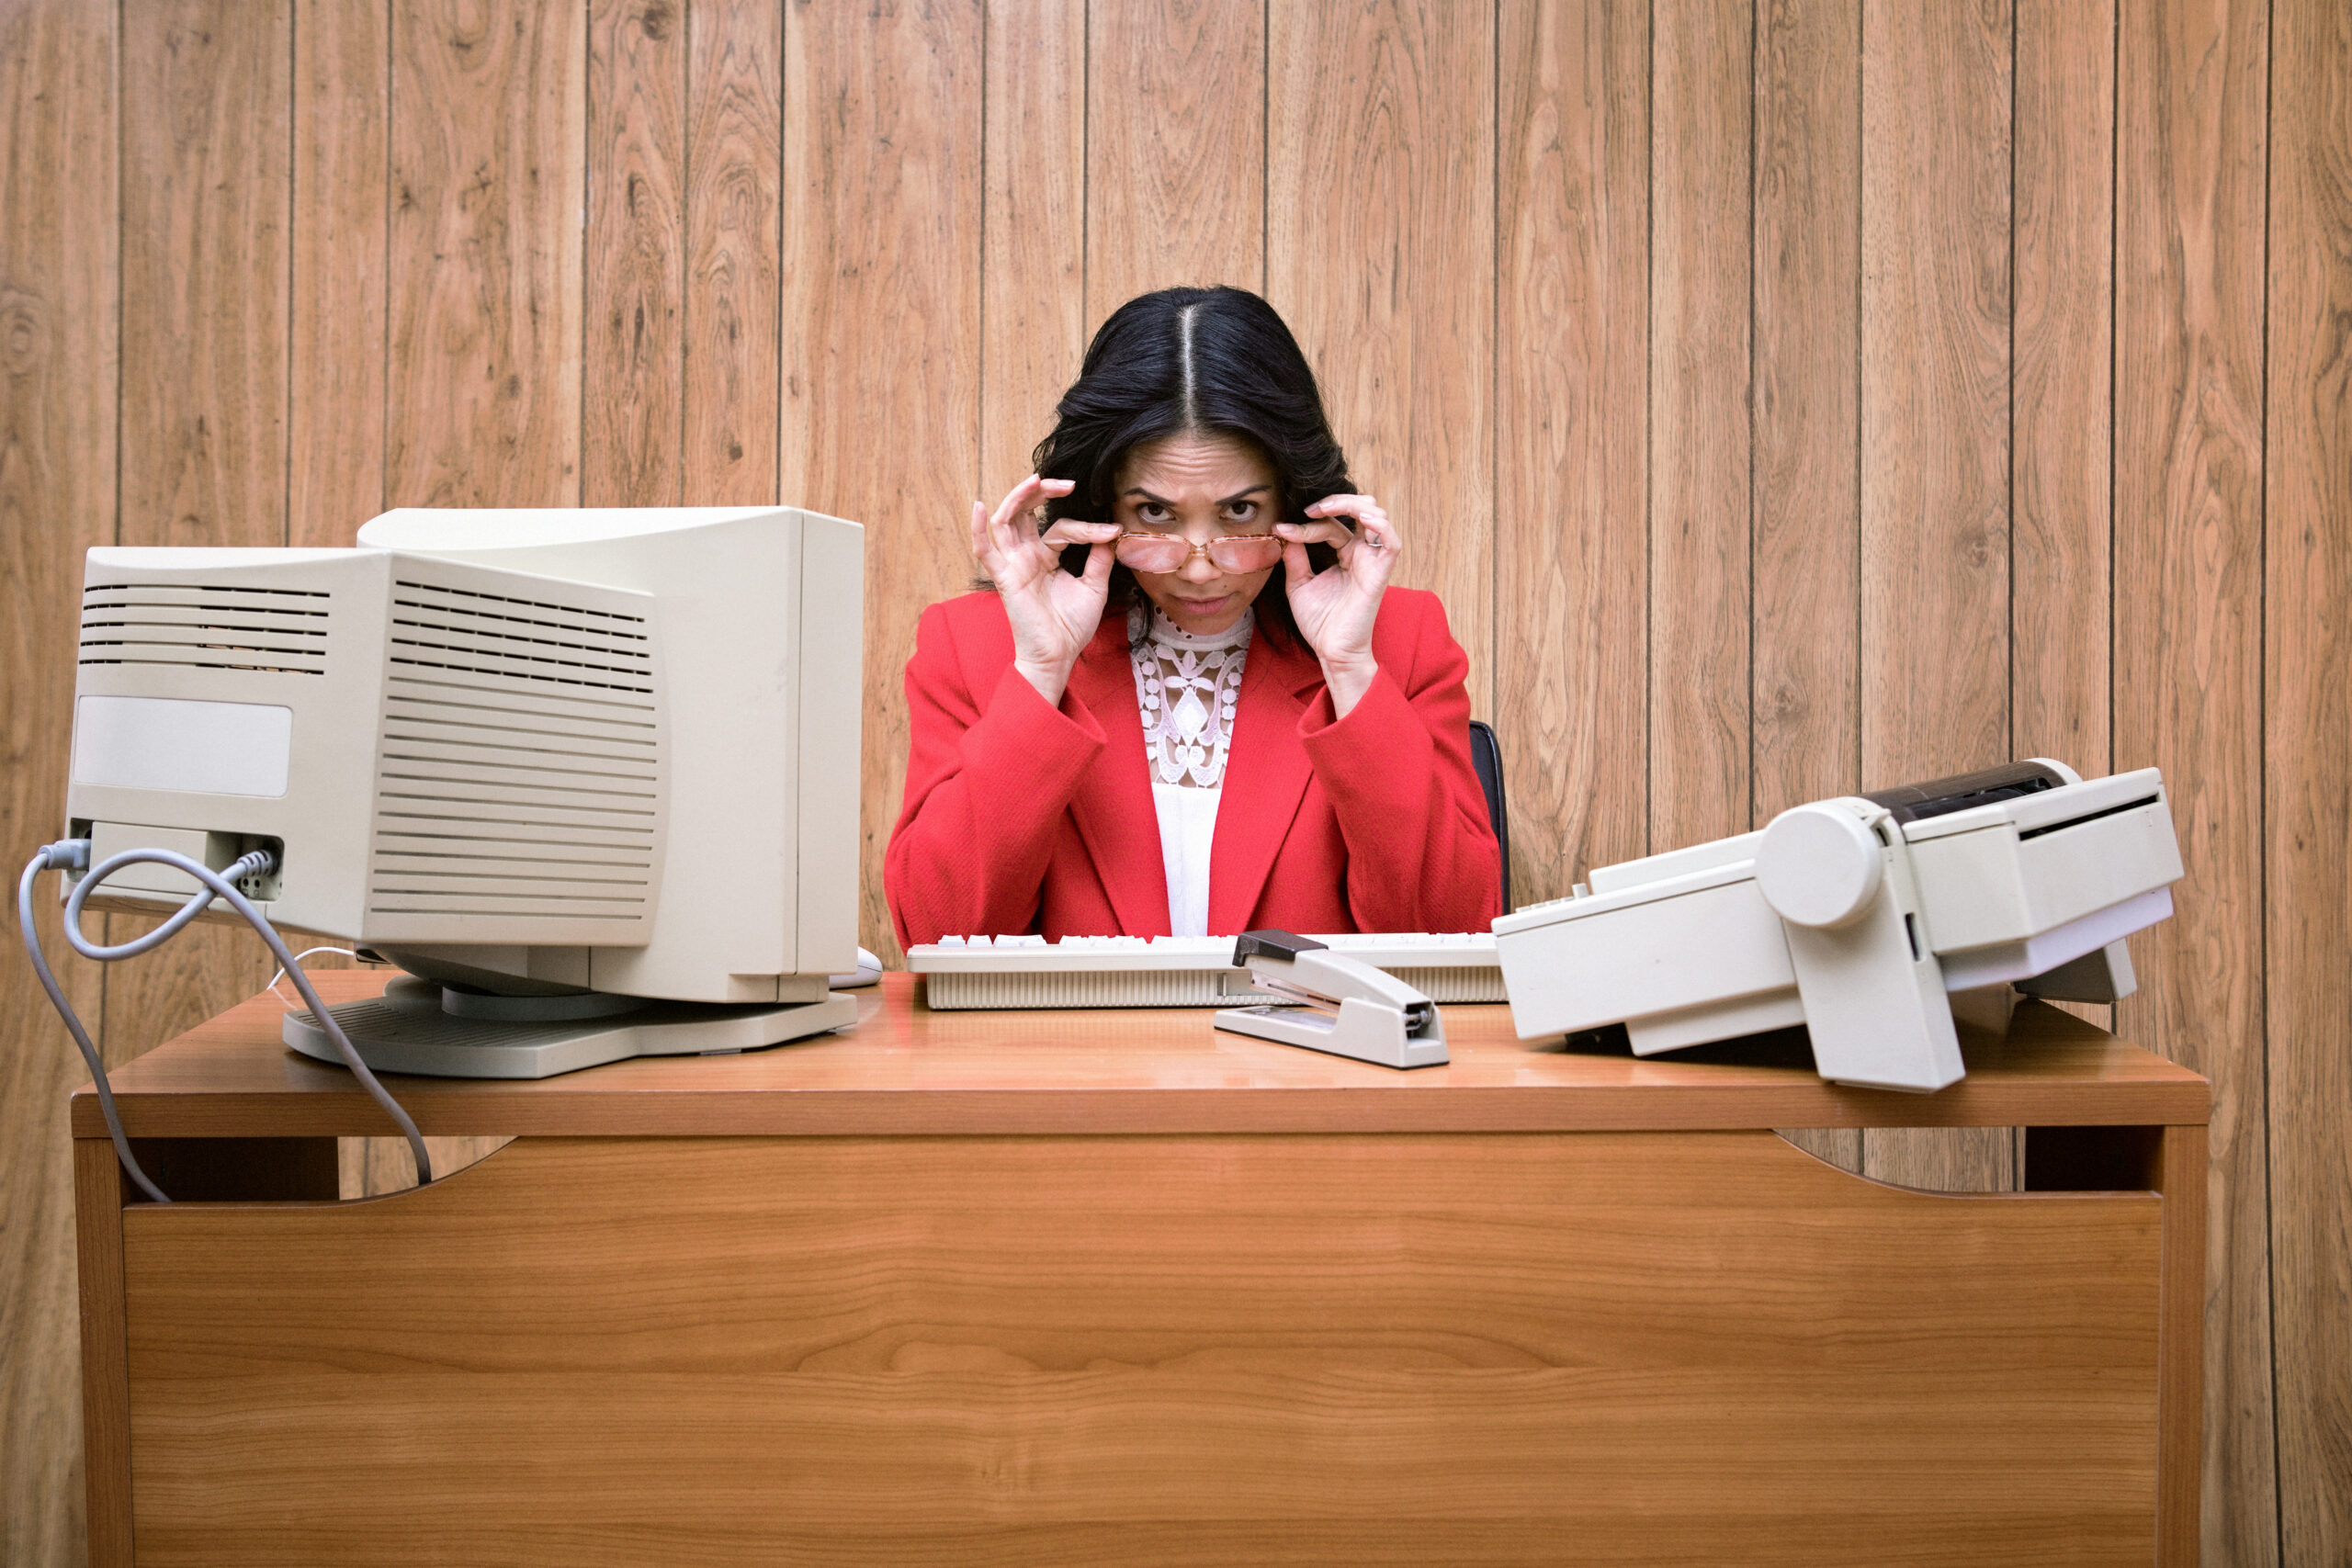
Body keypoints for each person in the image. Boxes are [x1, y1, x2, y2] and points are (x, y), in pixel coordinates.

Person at [884, 286, 1500, 946]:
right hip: (1075, 1052)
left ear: (1295, 499)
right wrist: (1041, 671)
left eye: (1240, 513)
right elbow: (936, 935)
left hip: (1305, 1053)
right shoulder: (972, 646)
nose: (1200, 567)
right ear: (1102, 502)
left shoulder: (1398, 642)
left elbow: (1454, 935)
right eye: (1155, 514)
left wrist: (1349, 670)